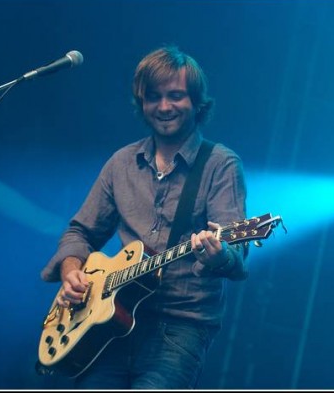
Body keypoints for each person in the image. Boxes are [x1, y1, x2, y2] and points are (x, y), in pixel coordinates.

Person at [40, 45, 249, 389]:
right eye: (153, 97)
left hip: (179, 329)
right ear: (141, 103)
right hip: (108, 321)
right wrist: (72, 273)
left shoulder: (220, 164)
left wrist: (220, 254)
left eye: (176, 96)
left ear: (197, 102)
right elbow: (80, 232)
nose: (164, 107)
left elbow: (236, 259)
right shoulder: (121, 162)